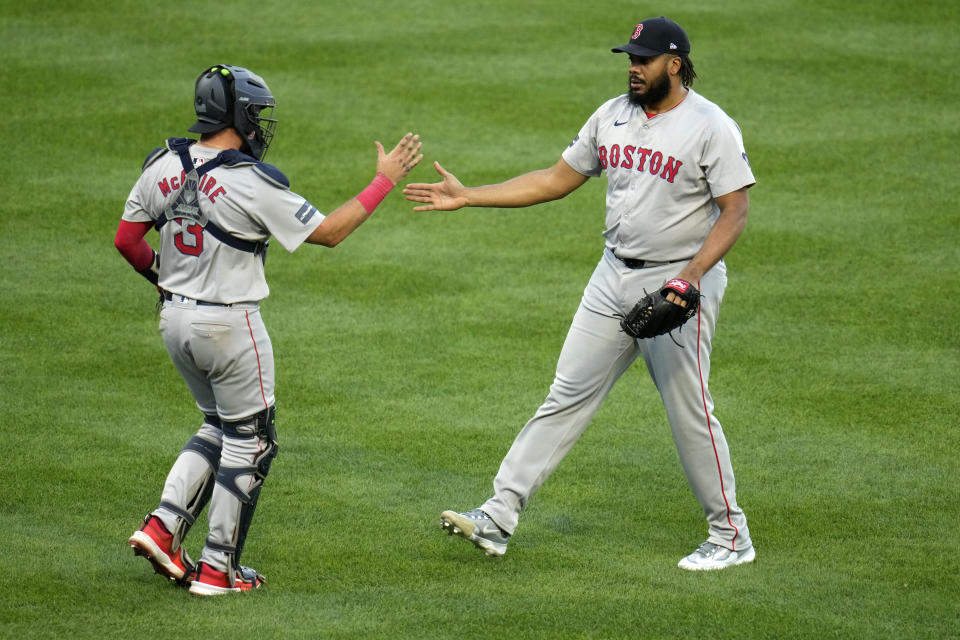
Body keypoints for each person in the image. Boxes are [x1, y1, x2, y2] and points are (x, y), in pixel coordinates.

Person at [404, 17, 756, 571]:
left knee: (688, 411)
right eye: (630, 58)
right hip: (611, 274)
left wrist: (689, 278)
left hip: (678, 281)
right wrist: (471, 196)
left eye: (643, 59)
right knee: (566, 394)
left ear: (675, 64)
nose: (633, 68)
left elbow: (735, 210)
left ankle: (731, 535)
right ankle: (499, 516)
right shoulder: (611, 114)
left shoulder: (711, 126)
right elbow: (554, 179)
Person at [115, 64, 422, 595]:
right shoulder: (250, 182)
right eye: (255, 114)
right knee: (252, 440)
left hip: (174, 321)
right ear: (236, 116)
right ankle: (218, 570)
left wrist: (165, 281)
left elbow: (127, 240)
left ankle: (163, 526)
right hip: (230, 327)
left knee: (217, 424)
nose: (260, 125)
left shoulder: (162, 164)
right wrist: (383, 181)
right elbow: (329, 233)